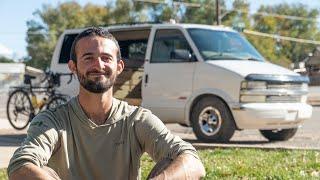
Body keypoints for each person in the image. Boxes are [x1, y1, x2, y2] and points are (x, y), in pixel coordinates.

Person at [8, 27, 206, 180]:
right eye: (88, 58)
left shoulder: (136, 119)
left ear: (119, 67)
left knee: (174, 161)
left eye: (106, 58)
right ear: (73, 67)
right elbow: (20, 165)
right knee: (40, 170)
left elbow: (192, 160)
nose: (99, 65)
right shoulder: (53, 121)